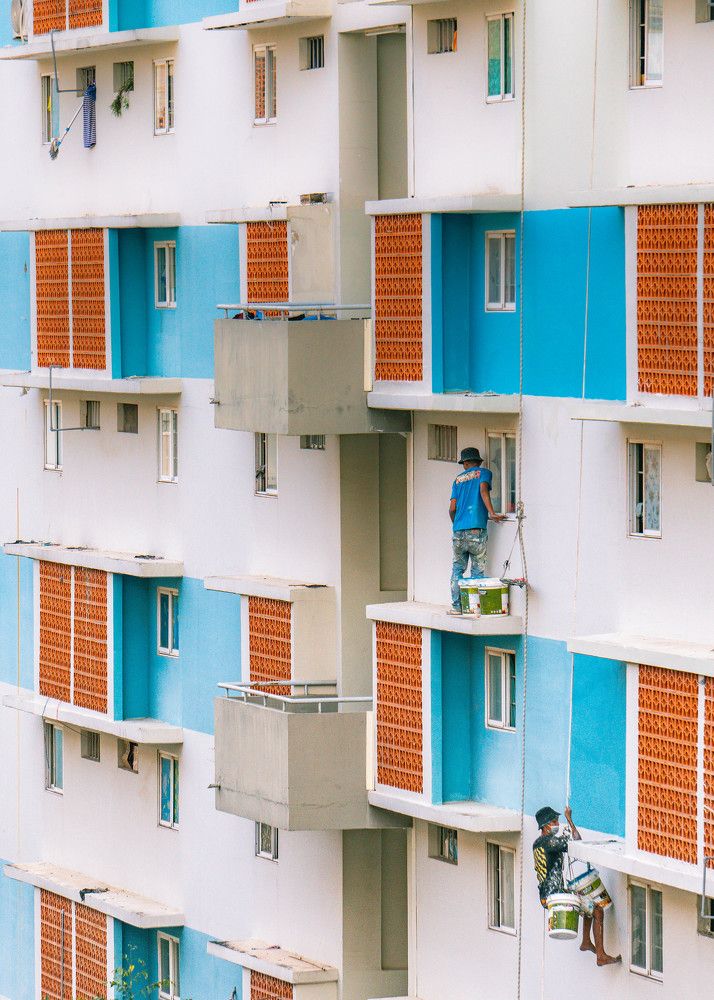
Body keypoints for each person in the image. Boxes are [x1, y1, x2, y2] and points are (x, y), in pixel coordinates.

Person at [533, 805, 621, 966]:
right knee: (597, 910)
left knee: (586, 903)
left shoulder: (538, 843)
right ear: (545, 825)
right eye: (554, 821)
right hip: (556, 895)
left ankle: (586, 941)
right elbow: (577, 841)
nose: (557, 824)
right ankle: (600, 956)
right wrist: (570, 820)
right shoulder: (550, 842)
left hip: (548, 895)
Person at [448, 447, 505, 614]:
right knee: (477, 571)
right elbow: (483, 491)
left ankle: (456, 607)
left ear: (465, 463)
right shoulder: (484, 473)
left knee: (457, 570)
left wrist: (457, 524)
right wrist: (492, 513)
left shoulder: (457, 480)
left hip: (458, 531)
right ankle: (474, 608)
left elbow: (452, 508)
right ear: (478, 462)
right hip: (476, 530)